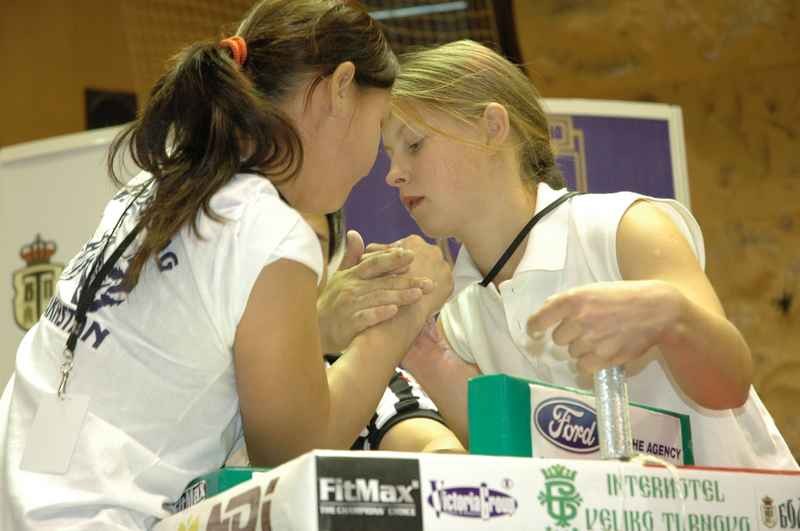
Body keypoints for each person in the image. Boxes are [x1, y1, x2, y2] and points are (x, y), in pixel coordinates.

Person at [0, 1, 453, 529]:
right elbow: (291, 452)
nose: (377, 162)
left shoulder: (156, 188)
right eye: (378, 125)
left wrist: (317, 327)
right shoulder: (268, 229)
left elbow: (176, 356)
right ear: (339, 88)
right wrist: (398, 320)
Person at [380, 39, 798, 470]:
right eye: (388, 155)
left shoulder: (622, 227)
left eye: (413, 144)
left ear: (492, 127)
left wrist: (671, 317)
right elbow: (510, 451)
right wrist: (416, 344)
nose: (394, 174)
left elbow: (729, 385)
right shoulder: (458, 316)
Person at [225, 210, 463, 467]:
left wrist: (407, 303)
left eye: (310, 247)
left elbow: (439, 453)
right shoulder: (212, 359)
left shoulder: (370, 380)